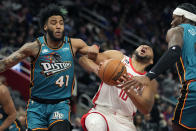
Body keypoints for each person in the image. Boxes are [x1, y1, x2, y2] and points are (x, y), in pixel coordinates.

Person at [0, 4, 99, 131]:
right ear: (45, 27)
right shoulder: (34, 47)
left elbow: (90, 51)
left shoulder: (73, 44)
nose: (58, 26)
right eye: (54, 22)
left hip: (60, 105)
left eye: (61, 23)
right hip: (37, 106)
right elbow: (6, 63)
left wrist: (94, 48)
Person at [126, 3, 196, 131]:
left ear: (183, 17)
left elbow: (174, 51)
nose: (172, 23)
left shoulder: (179, 29)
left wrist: (149, 76)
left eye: (174, 18)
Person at [79, 45, 158, 131]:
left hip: (124, 122)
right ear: (135, 51)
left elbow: (146, 109)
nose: (145, 47)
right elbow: (84, 59)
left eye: (149, 48)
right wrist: (97, 70)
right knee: (96, 125)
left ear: (151, 61)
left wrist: (130, 91)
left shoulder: (149, 80)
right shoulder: (118, 57)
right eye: (142, 45)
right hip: (101, 112)